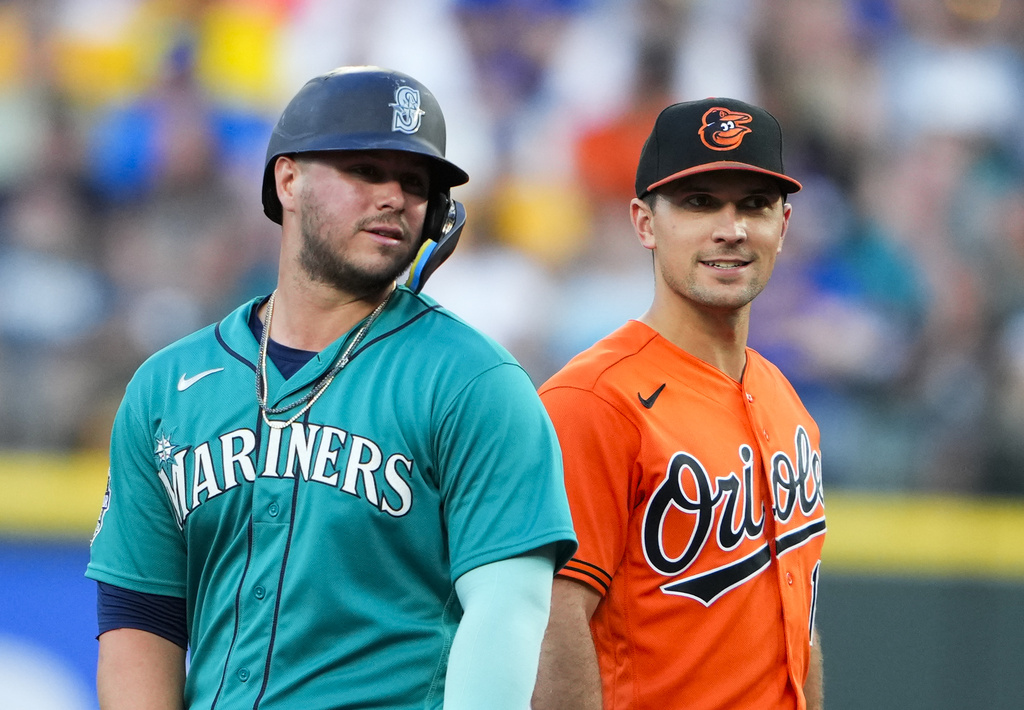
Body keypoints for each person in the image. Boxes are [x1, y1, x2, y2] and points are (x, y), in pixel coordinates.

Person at [86, 65, 577, 710]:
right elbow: (140, 612)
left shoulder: (475, 383)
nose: (395, 198)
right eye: (366, 171)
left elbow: (508, 614)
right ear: (287, 179)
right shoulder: (167, 386)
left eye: (415, 182)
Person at [532, 97, 826, 710]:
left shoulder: (784, 399)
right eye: (699, 203)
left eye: (754, 205)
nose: (731, 228)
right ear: (643, 223)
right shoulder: (591, 401)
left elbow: (799, 625)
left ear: (784, 224)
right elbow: (551, 623)